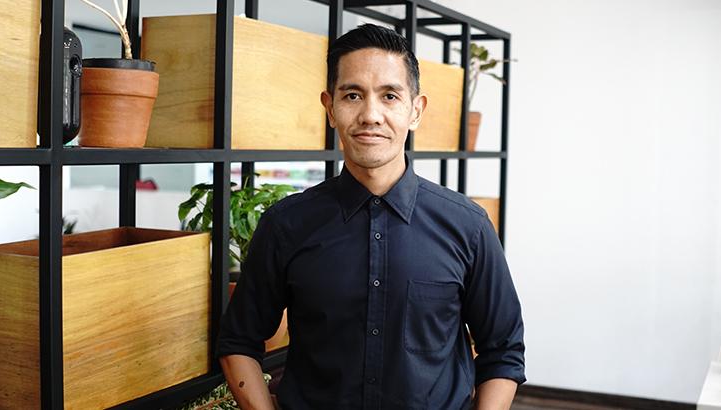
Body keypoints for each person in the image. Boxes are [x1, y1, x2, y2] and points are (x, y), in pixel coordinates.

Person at [217, 23, 525, 410]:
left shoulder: (468, 226)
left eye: (389, 96)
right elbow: (239, 341)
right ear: (330, 108)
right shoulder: (286, 225)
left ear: (415, 110)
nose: (371, 115)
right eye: (353, 95)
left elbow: (503, 350)